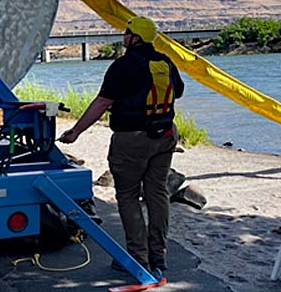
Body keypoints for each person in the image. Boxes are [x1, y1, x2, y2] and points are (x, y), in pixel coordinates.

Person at [58, 16, 185, 276]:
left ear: (134, 37)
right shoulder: (165, 62)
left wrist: (76, 132)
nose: (123, 37)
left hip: (131, 140)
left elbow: (103, 102)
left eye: (127, 33)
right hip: (165, 136)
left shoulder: (124, 65)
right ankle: (158, 255)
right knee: (157, 193)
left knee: (127, 196)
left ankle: (137, 257)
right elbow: (178, 92)